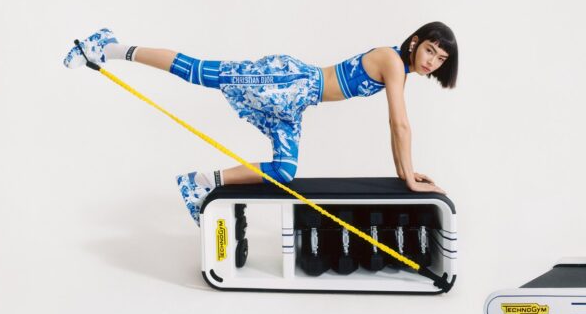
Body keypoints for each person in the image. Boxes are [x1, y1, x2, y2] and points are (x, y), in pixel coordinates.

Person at [64, 22, 458, 222]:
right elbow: (399, 125)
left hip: (294, 104)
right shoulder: (392, 61)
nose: (431, 61)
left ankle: (198, 183)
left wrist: (405, 174)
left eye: (440, 59)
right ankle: (109, 46)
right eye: (429, 51)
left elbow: (396, 129)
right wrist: (407, 177)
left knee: (284, 172)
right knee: (201, 72)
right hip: (287, 82)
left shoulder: (400, 70)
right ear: (414, 43)